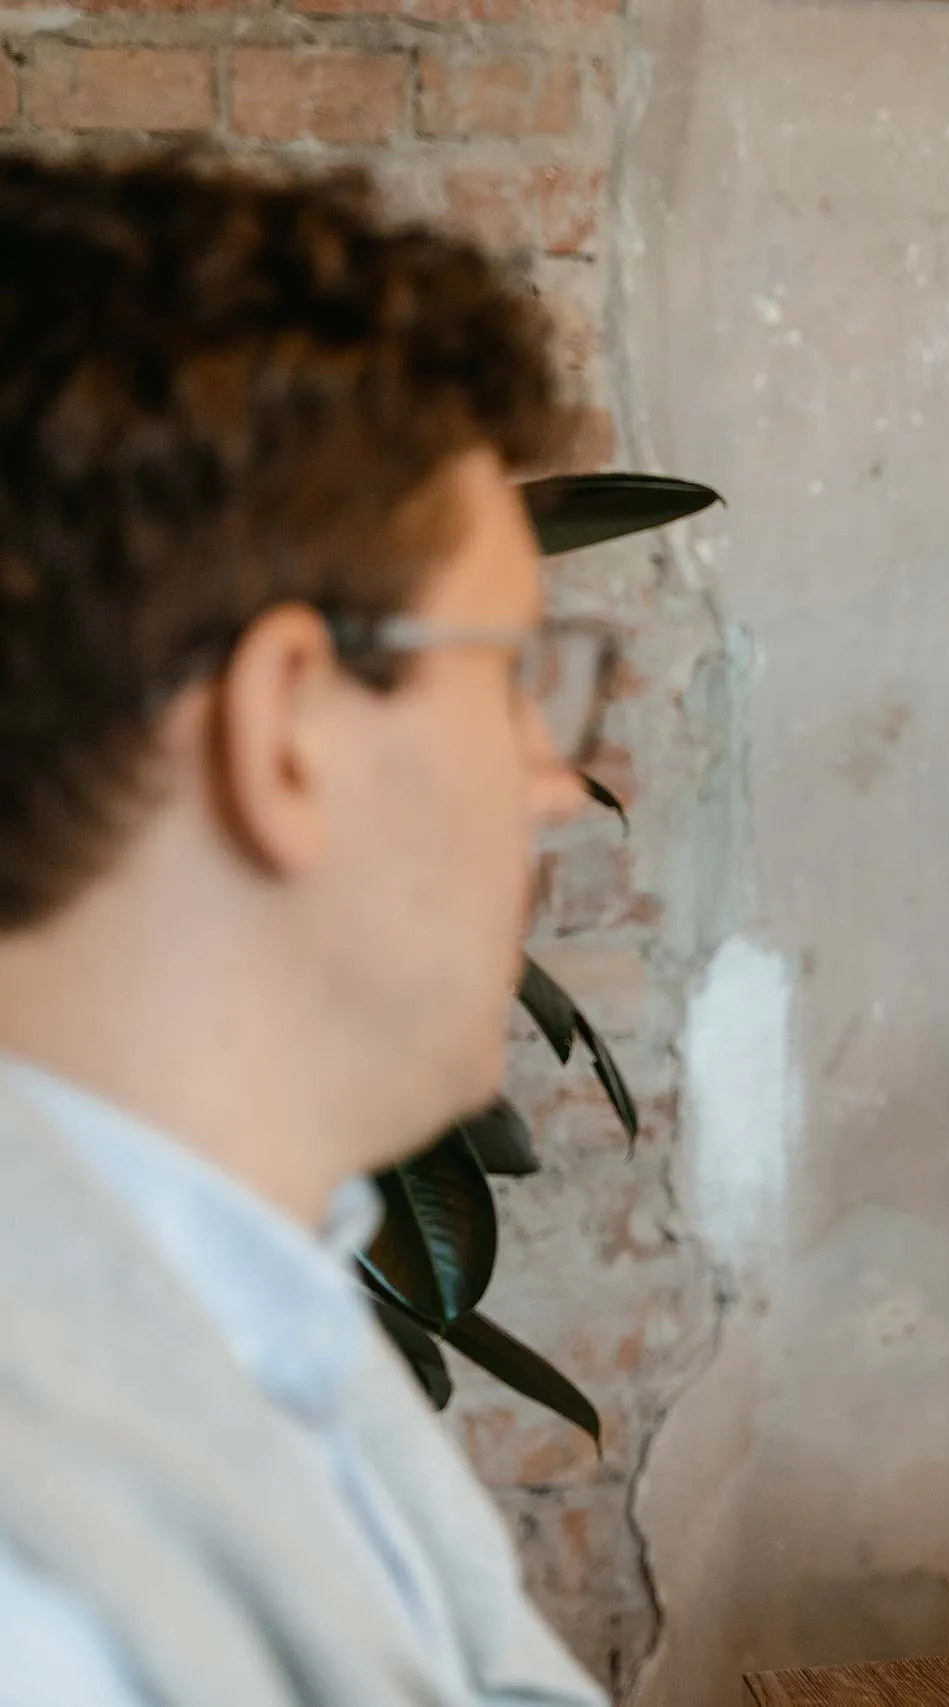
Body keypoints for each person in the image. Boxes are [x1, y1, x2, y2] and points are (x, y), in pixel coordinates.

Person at [0, 152, 610, 1706]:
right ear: (287, 729)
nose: (554, 780)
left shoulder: (250, 1294)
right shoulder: (44, 1611)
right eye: (511, 674)